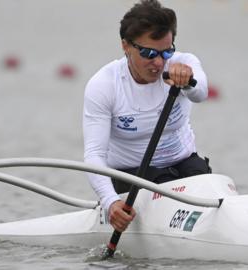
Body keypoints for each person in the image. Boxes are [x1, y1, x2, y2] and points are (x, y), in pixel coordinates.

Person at [83, 0, 211, 233]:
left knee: (207, 180)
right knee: (164, 184)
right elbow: (94, 155)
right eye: (149, 53)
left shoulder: (184, 63)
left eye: (167, 52)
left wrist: (188, 82)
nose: (159, 63)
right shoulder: (104, 85)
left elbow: (201, 93)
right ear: (126, 46)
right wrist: (110, 202)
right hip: (132, 176)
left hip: (185, 164)